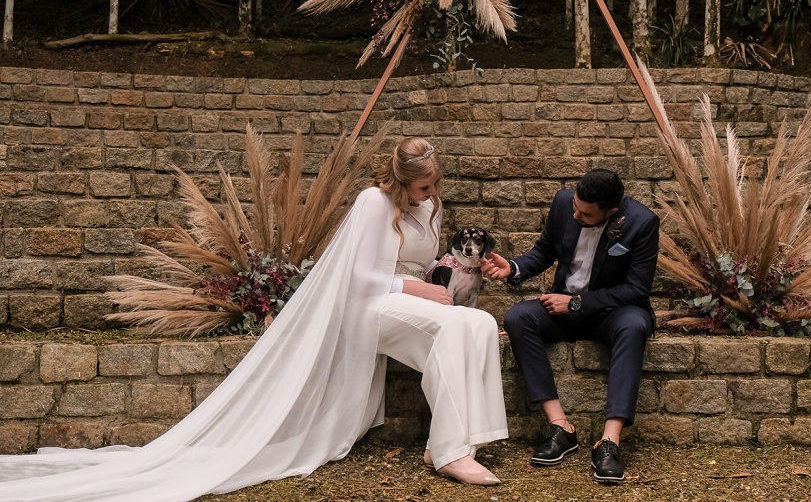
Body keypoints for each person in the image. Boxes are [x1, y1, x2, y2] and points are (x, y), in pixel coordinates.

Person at [0, 137, 507, 501]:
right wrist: (415, 287)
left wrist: (440, 277)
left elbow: (427, 260)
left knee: (477, 324)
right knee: (454, 324)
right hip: (369, 305)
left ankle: (453, 440)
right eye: (425, 184)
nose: (433, 191)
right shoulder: (373, 203)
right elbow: (356, 278)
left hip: (413, 300)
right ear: (401, 180)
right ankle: (450, 453)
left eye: (435, 184)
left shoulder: (433, 209)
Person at [482, 169, 659, 485]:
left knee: (633, 327)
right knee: (518, 317)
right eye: (575, 207)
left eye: (586, 214)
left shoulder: (642, 223)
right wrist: (513, 267)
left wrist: (576, 302)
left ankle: (609, 442)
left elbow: (635, 290)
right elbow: (544, 251)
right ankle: (560, 426)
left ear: (611, 212)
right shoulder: (565, 202)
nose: (575, 214)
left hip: (614, 312)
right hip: (564, 308)